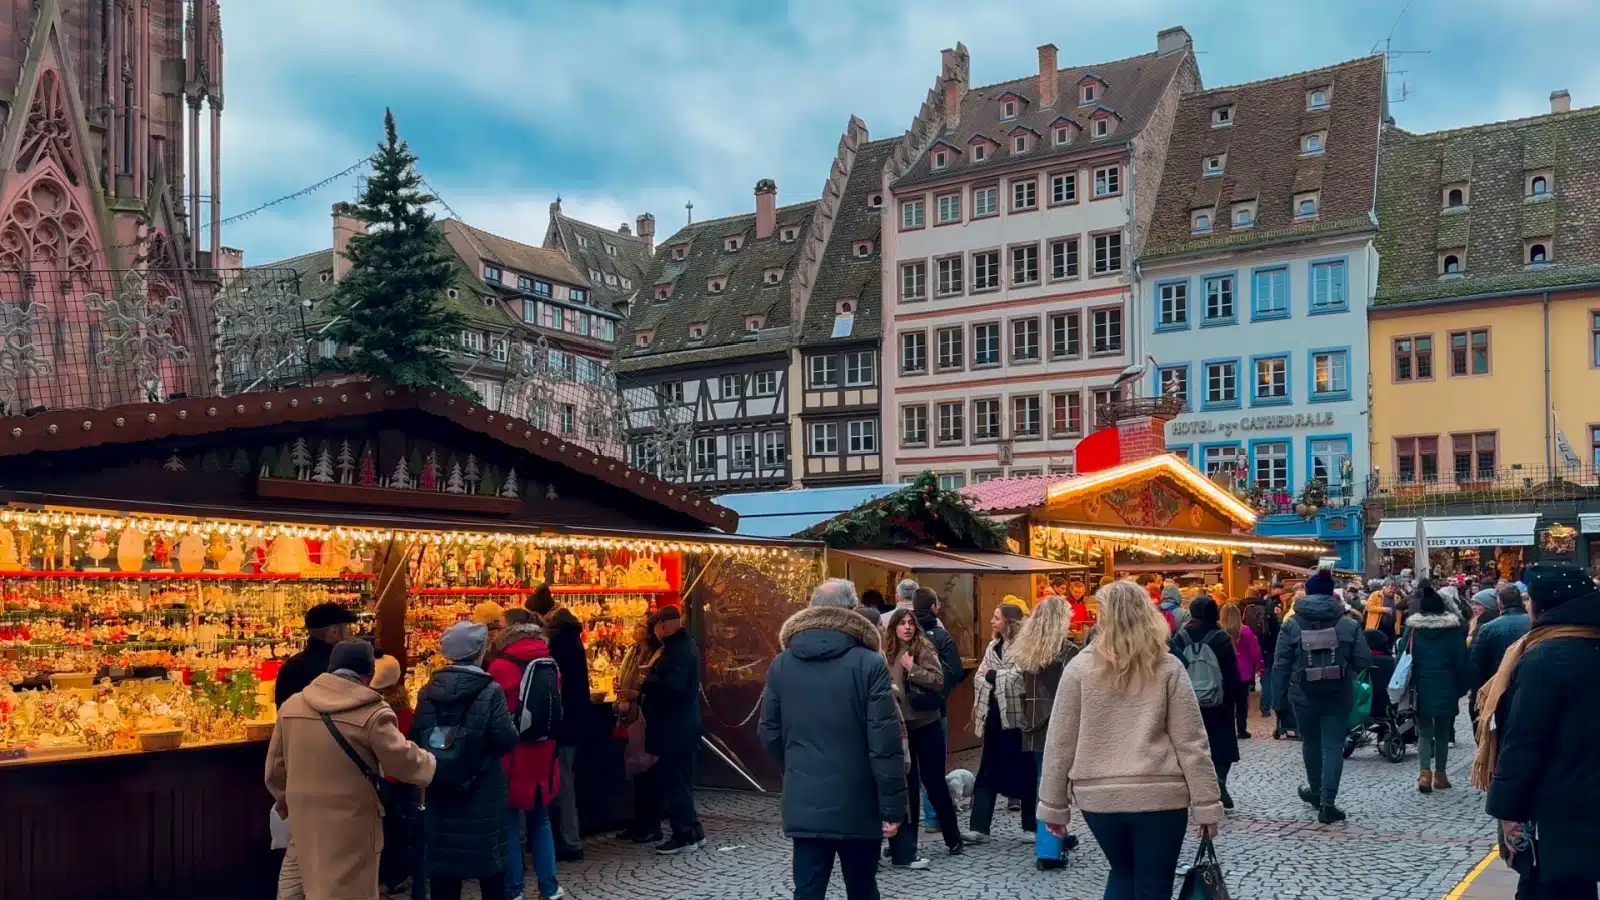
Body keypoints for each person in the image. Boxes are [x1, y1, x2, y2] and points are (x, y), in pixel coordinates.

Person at [1037, 581, 1222, 898]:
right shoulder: (1168, 666)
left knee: (1122, 873)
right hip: (1160, 797)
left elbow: (1059, 743)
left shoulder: (1079, 668)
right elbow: (1192, 742)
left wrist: (1053, 806)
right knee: (1153, 885)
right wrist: (1206, 804)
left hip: (1100, 799)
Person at [760, 579, 906, 900]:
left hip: (806, 798)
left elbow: (768, 731)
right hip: (859, 801)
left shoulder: (782, 663)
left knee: (808, 892)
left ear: (812, 607)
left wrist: (797, 767)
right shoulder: (869, 663)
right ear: (852, 611)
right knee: (863, 889)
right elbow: (885, 742)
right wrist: (893, 808)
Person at [265, 640, 436, 900]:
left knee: (296, 891)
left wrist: (291, 806)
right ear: (369, 675)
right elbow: (403, 763)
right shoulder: (372, 712)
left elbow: (275, 771)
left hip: (305, 823)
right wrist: (431, 763)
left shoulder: (292, 707)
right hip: (353, 825)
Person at [1478, 562, 1600, 900]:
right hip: (1586, 793)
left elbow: (1524, 743)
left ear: (1543, 606)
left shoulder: (1545, 657)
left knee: (1548, 888)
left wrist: (1507, 811)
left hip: (1556, 805)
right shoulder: (1588, 644)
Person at [411, 622, 521, 900]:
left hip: (441, 787)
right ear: (479, 652)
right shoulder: (490, 691)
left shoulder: (427, 691)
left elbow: (416, 736)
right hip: (483, 789)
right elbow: (506, 739)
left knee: (445, 870)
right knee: (490, 868)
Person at [1271, 568, 1370, 823]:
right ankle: (1328, 804)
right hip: (1338, 694)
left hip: (1303, 695)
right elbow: (1363, 660)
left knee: (1310, 744)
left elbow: (1280, 664)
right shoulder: (1348, 623)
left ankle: (1315, 792)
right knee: (1333, 748)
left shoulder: (1291, 624)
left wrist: (1277, 700)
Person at [485, 611, 564, 900]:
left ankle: (513, 888)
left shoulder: (501, 665)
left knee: (509, 824)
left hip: (512, 753)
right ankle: (549, 886)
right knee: (540, 820)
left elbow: (494, 712)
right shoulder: (549, 663)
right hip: (543, 750)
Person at [883, 608, 965, 862]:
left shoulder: (923, 648)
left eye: (910, 623)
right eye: (902, 623)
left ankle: (953, 837)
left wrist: (913, 668)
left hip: (926, 723)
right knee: (907, 787)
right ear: (894, 628)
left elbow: (938, 680)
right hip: (903, 727)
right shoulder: (888, 652)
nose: (907, 627)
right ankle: (907, 843)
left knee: (934, 782)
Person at [1012, 595, 1081, 870]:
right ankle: (1049, 849)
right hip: (1059, 725)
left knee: (1044, 784)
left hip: (1033, 725)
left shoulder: (1026, 650)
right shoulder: (1067, 652)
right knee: (1055, 788)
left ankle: (1056, 836)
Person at [526, 583, 589, 861]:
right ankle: (567, 838)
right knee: (564, 780)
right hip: (574, 718)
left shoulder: (556, 641)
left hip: (561, 721)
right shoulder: (570, 635)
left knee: (562, 782)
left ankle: (570, 840)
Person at [641, 605, 704, 854]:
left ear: (663, 626)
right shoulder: (687, 647)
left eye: (655, 626)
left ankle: (684, 835)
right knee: (682, 782)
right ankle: (693, 831)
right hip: (684, 725)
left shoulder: (676, 651)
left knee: (676, 782)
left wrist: (648, 683)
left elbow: (673, 689)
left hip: (674, 727)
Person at [1173, 596, 1244, 810]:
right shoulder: (1221, 638)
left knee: (1193, 745)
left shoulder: (1180, 637)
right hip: (1218, 701)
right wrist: (1237, 701)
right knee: (1222, 744)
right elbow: (1232, 673)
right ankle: (1219, 780)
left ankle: (1198, 787)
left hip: (1189, 700)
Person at [1398, 581, 1469, 793]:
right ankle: (1441, 775)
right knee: (1443, 731)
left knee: (1425, 731)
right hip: (1447, 685)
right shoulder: (1454, 631)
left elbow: (1402, 658)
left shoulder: (1412, 630)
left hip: (1420, 687)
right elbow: (1462, 662)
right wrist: (1461, 688)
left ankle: (1424, 774)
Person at [969, 602, 1030, 842]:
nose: (992, 621)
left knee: (1025, 769)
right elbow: (980, 676)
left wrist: (997, 677)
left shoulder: (1025, 648)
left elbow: (1021, 678)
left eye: (996, 618)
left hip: (1017, 719)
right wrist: (996, 678)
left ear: (1008, 622)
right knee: (986, 770)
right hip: (994, 717)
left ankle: (1030, 826)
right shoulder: (992, 647)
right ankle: (979, 826)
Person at [911, 587, 964, 833]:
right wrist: (940, 692)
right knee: (934, 768)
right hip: (934, 711)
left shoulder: (903, 634)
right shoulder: (941, 637)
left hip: (905, 713)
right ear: (934, 607)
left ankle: (909, 827)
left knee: (910, 770)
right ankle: (934, 818)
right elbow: (955, 672)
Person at [614, 616, 663, 844]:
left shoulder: (655, 654)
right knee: (635, 768)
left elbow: (654, 684)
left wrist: (637, 694)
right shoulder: (633, 651)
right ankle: (638, 821)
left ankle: (651, 823)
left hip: (646, 714)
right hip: (630, 712)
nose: (636, 629)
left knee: (648, 770)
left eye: (641, 626)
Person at [372, 653, 415, 894]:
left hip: (376, 777)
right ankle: (397, 875)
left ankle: (378, 875)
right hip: (400, 777)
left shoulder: (366, 706)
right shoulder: (403, 708)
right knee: (398, 830)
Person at [273, 602, 358, 709]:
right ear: (334, 631)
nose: (348, 635)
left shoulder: (289, 667)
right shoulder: (345, 668)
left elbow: (282, 713)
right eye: (346, 628)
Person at [1470, 584, 1531, 699]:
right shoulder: (1533, 623)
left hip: (1498, 685)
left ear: (1499, 604)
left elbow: (1476, 665)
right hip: (1526, 682)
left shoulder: (1488, 628)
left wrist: (1476, 697)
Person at [1222, 602, 1264, 740]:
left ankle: (1227, 729)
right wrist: (1258, 665)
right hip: (1243, 672)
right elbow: (1254, 652)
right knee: (1241, 704)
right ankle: (1241, 729)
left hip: (1224, 671)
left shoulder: (1219, 631)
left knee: (1226, 704)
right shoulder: (1245, 631)